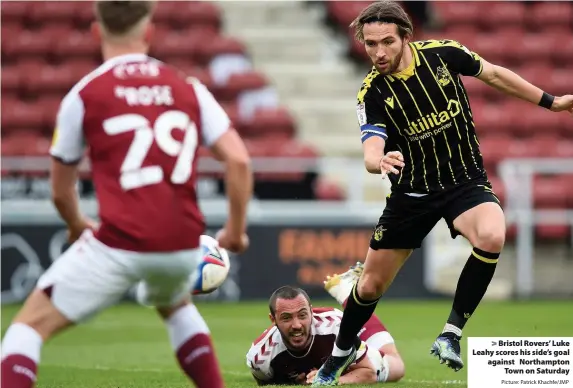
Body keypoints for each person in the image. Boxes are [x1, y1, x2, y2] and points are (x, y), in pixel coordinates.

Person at [312, 1, 573, 385]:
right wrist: (378, 161)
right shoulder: (372, 92)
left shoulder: (444, 55)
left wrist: (552, 103)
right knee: (369, 286)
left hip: (463, 182)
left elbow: (496, 75)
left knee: (492, 234)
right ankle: (342, 350)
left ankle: (451, 332)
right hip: (412, 195)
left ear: (406, 36)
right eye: (370, 44)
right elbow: (370, 149)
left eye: (387, 41)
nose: (379, 52)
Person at [0, 2, 253, 388]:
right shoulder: (188, 88)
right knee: (176, 306)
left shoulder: (84, 95)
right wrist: (235, 231)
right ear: (149, 32)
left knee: (26, 329)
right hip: (184, 244)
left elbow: (60, 189)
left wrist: (75, 224)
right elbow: (238, 161)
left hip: (121, 241)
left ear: (96, 33)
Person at [246, 263, 405, 385]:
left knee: (395, 366)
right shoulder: (260, 358)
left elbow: (368, 372)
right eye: (286, 318)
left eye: (302, 315)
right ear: (273, 320)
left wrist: (328, 380)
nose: (296, 325)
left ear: (311, 312)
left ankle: (344, 290)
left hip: (348, 339)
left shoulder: (334, 325)